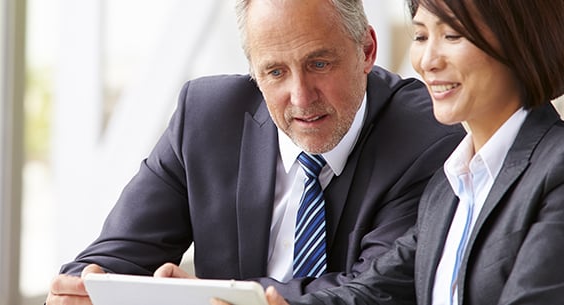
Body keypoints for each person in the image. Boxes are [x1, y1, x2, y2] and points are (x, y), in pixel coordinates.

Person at [46, 0, 464, 304]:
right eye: (275, 71)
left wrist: (209, 298)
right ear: (254, 73)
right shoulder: (206, 117)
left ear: (366, 50)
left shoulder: (428, 133)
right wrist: (84, 286)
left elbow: (378, 290)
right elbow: (116, 257)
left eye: (319, 64)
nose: (301, 97)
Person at [231, 0, 564, 304]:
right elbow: (375, 291)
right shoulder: (451, 186)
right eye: (420, 36)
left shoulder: (555, 171)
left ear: (520, 41)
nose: (428, 61)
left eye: (452, 36)